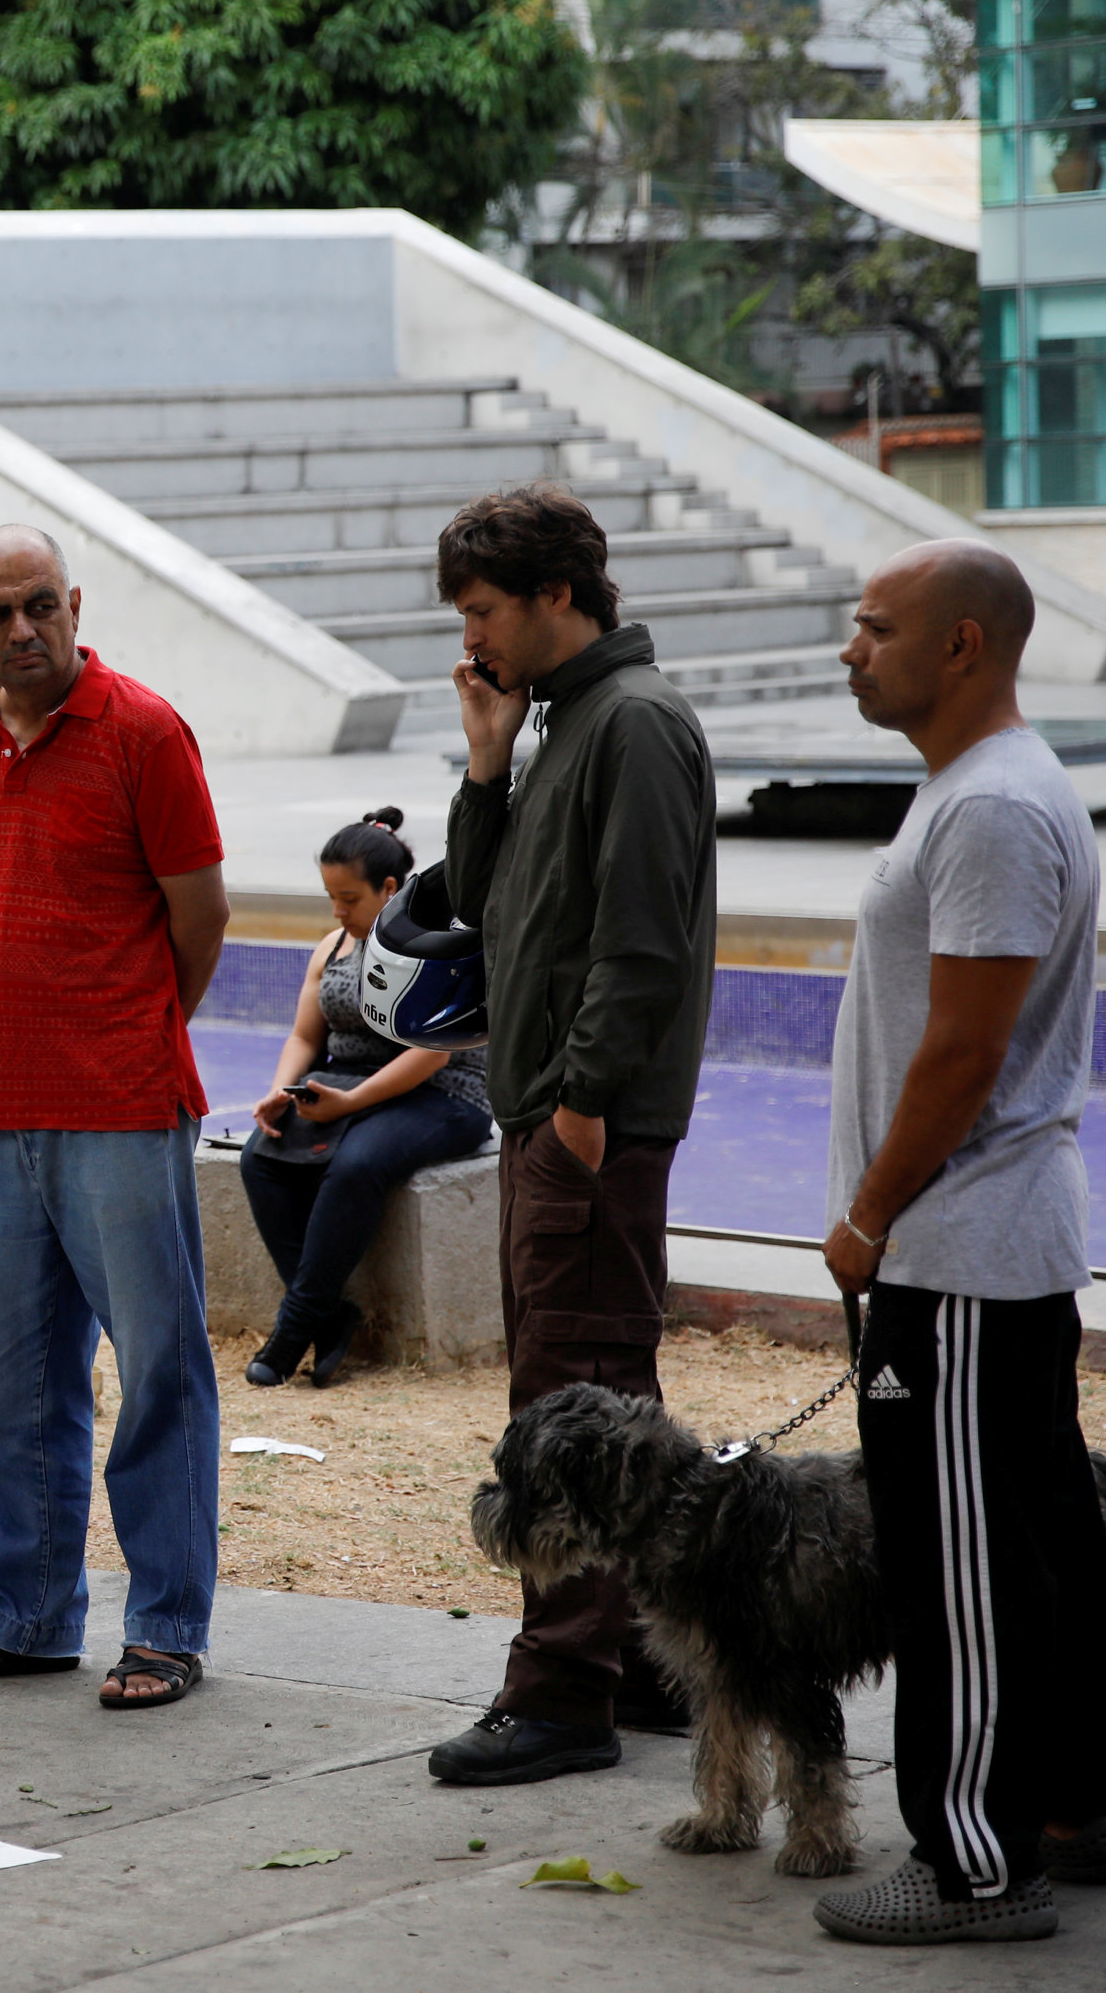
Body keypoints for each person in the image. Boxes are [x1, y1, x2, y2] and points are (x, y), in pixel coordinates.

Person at [812, 542, 1106, 1947]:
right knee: (1041, 1539)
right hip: (987, 1250)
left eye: (876, 627)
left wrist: (871, 1211)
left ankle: (972, 1863)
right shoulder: (976, 790)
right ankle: (1067, 1802)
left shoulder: (993, 806)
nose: (849, 646)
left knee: (962, 1567)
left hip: (957, 1255)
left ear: (964, 645)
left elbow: (963, 1048)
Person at [0, 524, 229, 1707]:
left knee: (157, 1372)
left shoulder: (143, 732)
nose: (21, 630)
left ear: (75, 604)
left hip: (119, 1106)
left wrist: (138, 1033)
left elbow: (199, 915)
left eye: (40, 605)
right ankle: (29, 1616)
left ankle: (166, 1626)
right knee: (20, 1379)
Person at [429, 484, 717, 1786]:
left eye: (486, 611)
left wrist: (583, 1115)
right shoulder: (561, 723)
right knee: (605, 1394)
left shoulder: (635, 725)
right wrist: (486, 759)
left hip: (583, 1122)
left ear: (559, 594)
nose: (473, 638)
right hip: (552, 1112)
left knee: (570, 1408)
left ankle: (561, 1690)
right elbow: (488, 912)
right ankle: (649, 1656)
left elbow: (639, 945)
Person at [236, 807, 495, 1390]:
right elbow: (306, 1035)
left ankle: (295, 1328)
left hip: (441, 1095)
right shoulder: (334, 945)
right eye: (330, 897)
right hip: (351, 1090)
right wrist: (283, 1090)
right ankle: (333, 1317)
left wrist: (347, 1107)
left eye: (348, 899)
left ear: (389, 889)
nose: (337, 912)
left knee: (355, 1167)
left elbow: (434, 1051)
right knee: (260, 1157)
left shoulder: (437, 944)